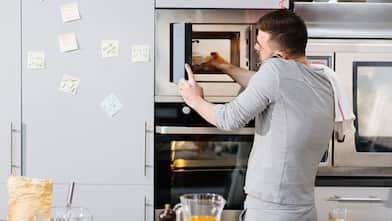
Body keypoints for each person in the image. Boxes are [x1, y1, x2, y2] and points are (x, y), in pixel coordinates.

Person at [178, 9, 334, 221]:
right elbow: (261, 83)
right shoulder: (321, 80)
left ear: (280, 54)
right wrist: (224, 66)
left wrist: (194, 99)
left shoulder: (276, 71)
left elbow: (228, 118)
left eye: (260, 45)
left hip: (271, 211)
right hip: (304, 208)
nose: (255, 47)